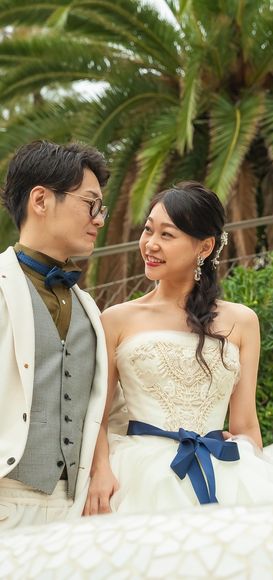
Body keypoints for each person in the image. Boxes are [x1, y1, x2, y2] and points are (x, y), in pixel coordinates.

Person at [84, 181, 273, 514]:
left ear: (205, 247)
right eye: (148, 230)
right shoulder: (116, 319)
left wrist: (256, 475)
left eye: (167, 235)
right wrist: (100, 471)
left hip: (224, 471)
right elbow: (98, 415)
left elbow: (245, 425)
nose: (150, 244)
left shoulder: (243, 322)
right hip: (137, 477)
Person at [0, 140, 110, 529]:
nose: (99, 220)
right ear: (41, 200)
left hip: (74, 510)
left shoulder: (89, 308)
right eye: (91, 204)